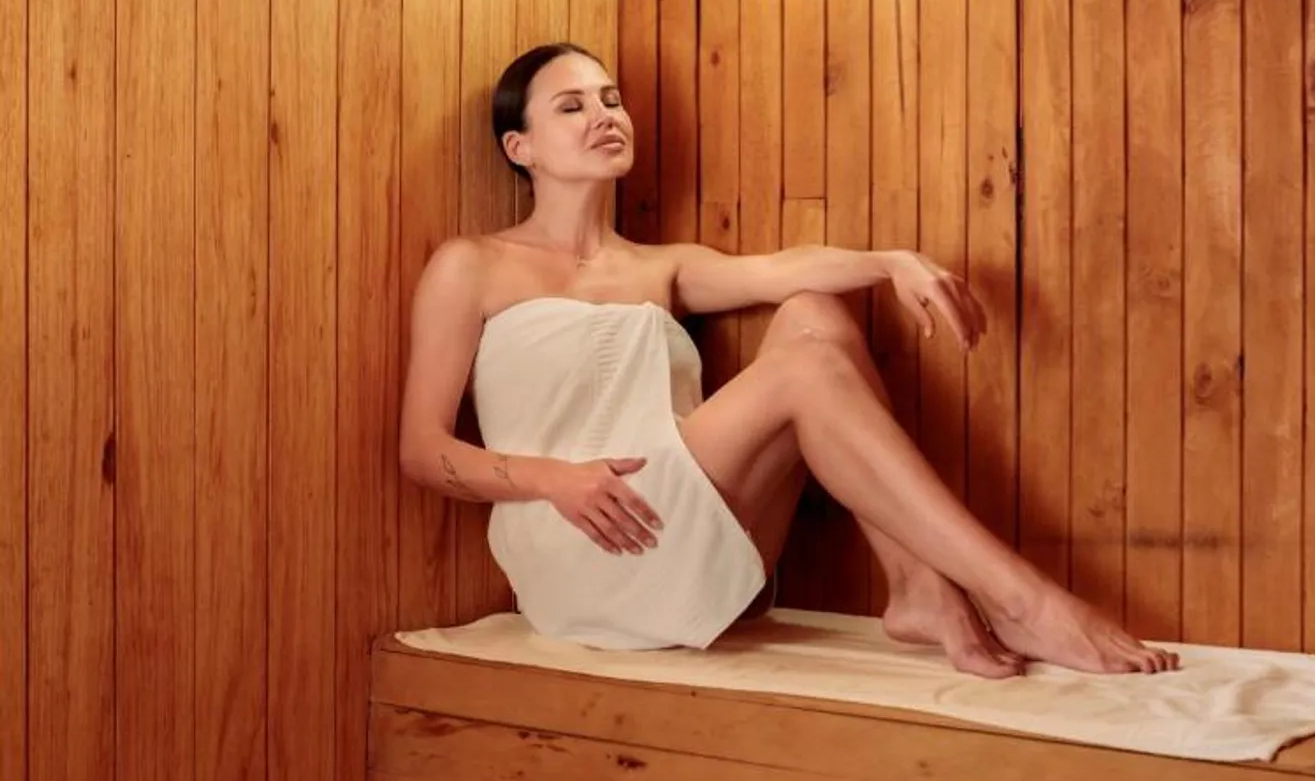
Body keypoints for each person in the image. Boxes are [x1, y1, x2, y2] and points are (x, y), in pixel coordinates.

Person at [398, 41, 1178, 678]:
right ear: (520, 147)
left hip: (677, 523)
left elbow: (788, 269)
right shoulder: (472, 265)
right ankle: (1019, 599)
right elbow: (422, 449)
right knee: (804, 367)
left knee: (812, 313)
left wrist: (891, 262)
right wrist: (554, 479)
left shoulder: (660, 267)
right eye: (572, 107)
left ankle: (918, 586)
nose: (604, 115)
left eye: (611, 99)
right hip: (580, 548)